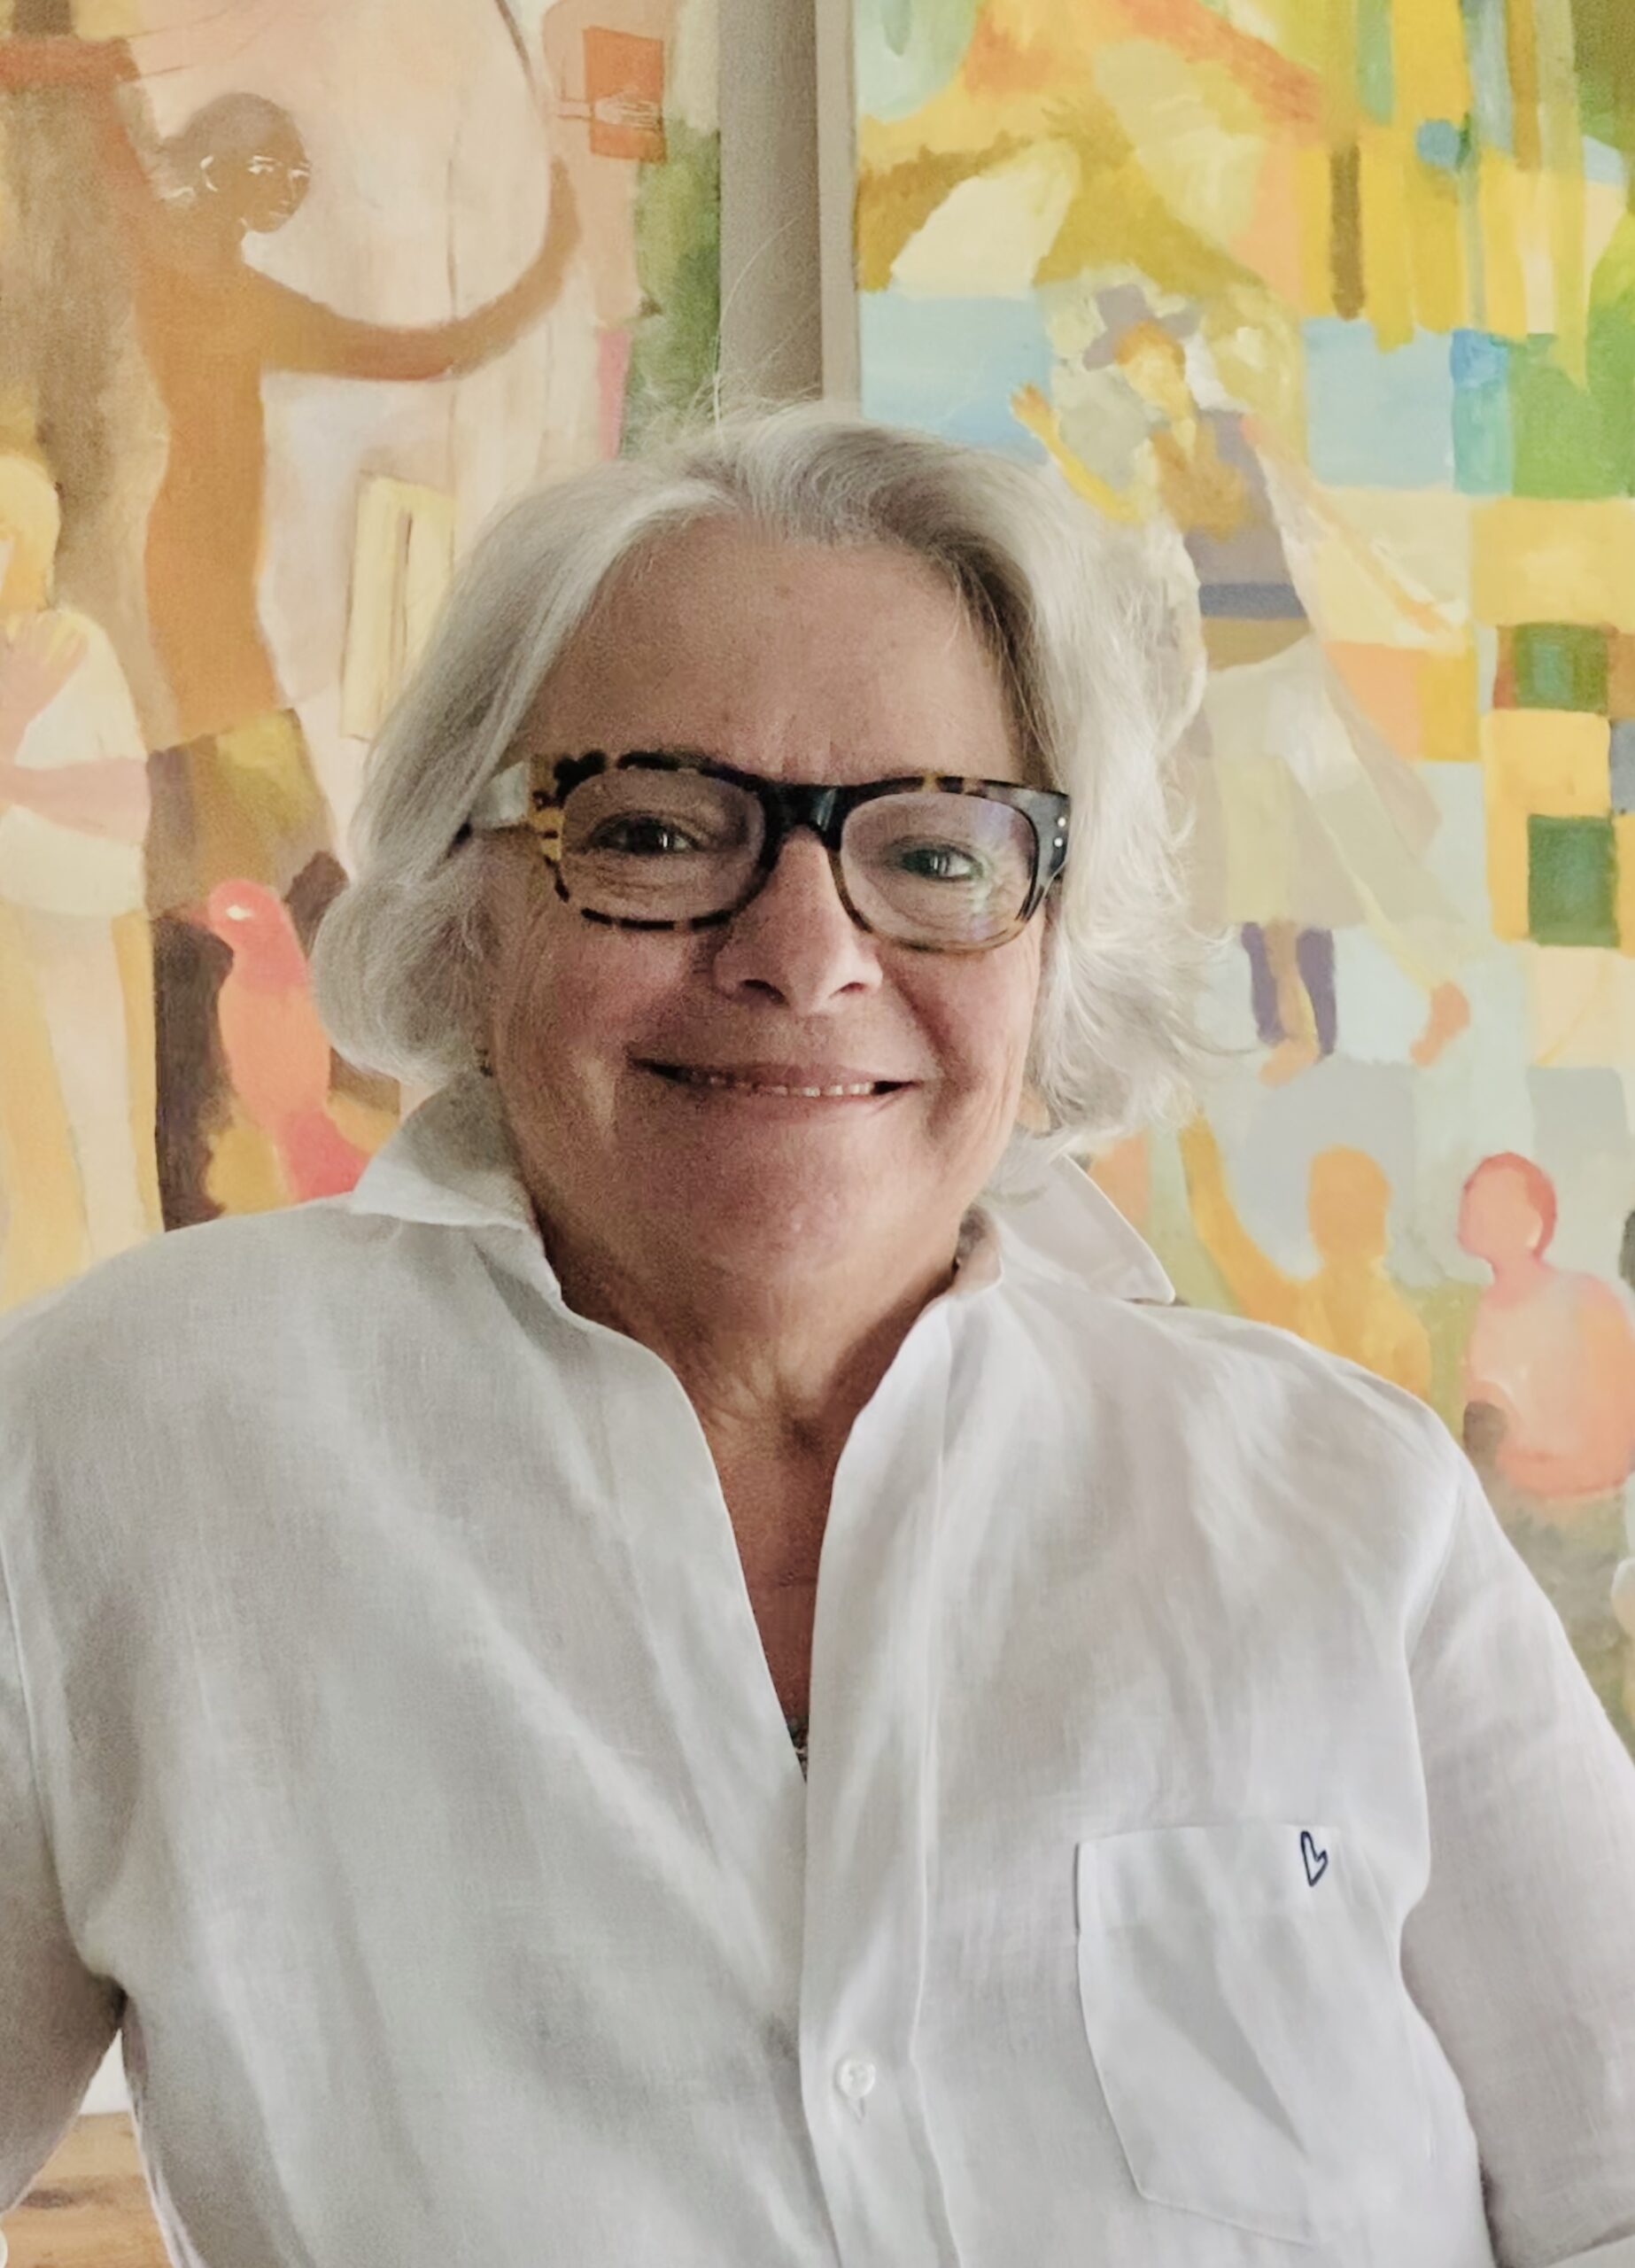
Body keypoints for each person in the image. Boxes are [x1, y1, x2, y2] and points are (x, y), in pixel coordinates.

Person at [1, 409, 1631, 2267]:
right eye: (651, 830)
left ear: (1050, 936)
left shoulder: (1344, 1505)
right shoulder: (117, 1450)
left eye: (933, 853)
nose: (804, 948)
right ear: (468, 904)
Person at [0, 452, 158, 1310]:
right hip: (15, 920)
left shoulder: (76, 645)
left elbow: (121, 800)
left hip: (80, 915)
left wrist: (17, 776)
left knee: (98, 1117)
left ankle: (108, 1305)